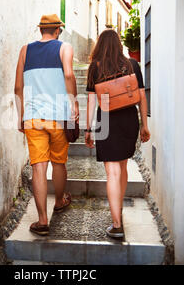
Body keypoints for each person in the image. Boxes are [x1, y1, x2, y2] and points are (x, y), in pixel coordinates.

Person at [14, 14, 79, 236]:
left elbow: (17, 87)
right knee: (58, 163)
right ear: (58, 30)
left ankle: (42, 220)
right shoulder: (65, 48)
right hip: (58, 116)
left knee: (38, 167)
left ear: (41, 29)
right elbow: (69, 75)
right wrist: (73, 104)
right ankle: (59, 200)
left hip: (33, 117)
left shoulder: (25, 51)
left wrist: (21, 115)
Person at [84, 29, 150, 239]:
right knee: (122, 168)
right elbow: (141, 96)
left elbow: (92, 100)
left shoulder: (95, 67)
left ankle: (116, 224)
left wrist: (88, 129)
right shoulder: (132, 64)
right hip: (128, 120)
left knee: (112, 172)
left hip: (106, 122)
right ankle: (117, 210)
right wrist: (144, 125)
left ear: (100, 46)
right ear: (119, 45)